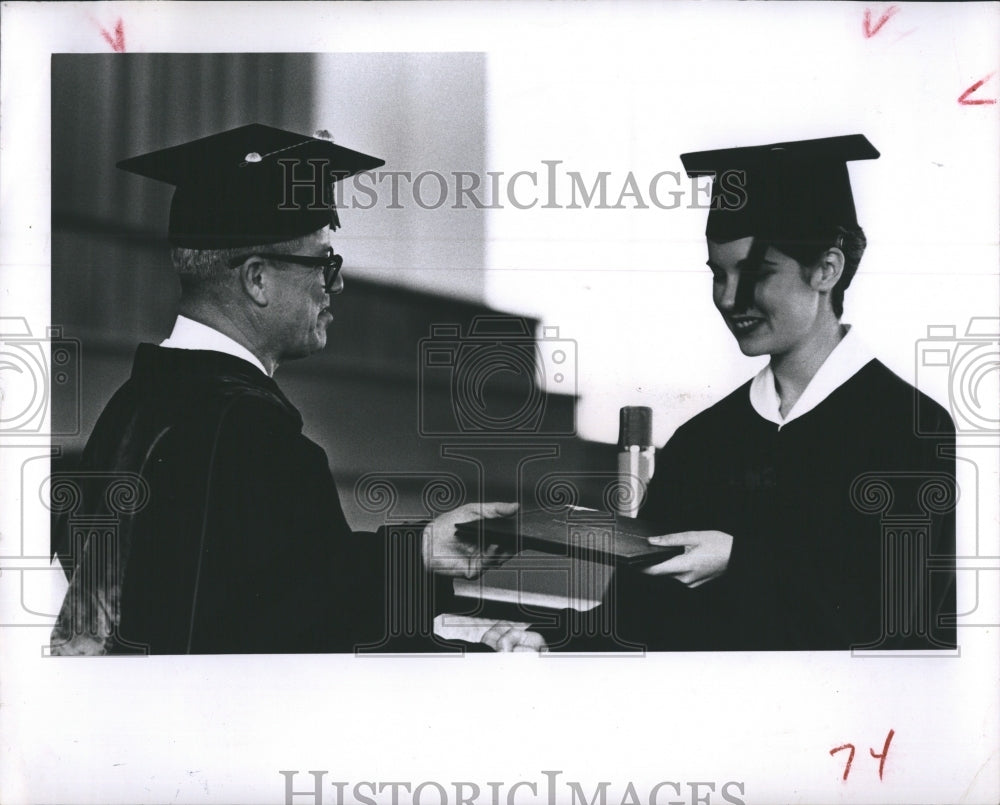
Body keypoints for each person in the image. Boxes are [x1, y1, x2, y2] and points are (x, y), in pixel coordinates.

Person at [50, 124, 517, 655]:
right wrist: (484, 660)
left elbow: (284, 586)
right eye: (323, 262)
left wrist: (422, 551)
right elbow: (314, 637)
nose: (335, 285)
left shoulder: (132, 406)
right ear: (257, 280)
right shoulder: (253, 436)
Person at [524, 134, 957, 652]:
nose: (730, 298)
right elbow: (635, 613)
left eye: (755, 273)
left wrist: (740, 560)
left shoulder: (907, 427)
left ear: (827, 269)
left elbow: (902, 623)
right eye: (718, 274)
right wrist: (547, 641)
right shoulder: (703, 440)